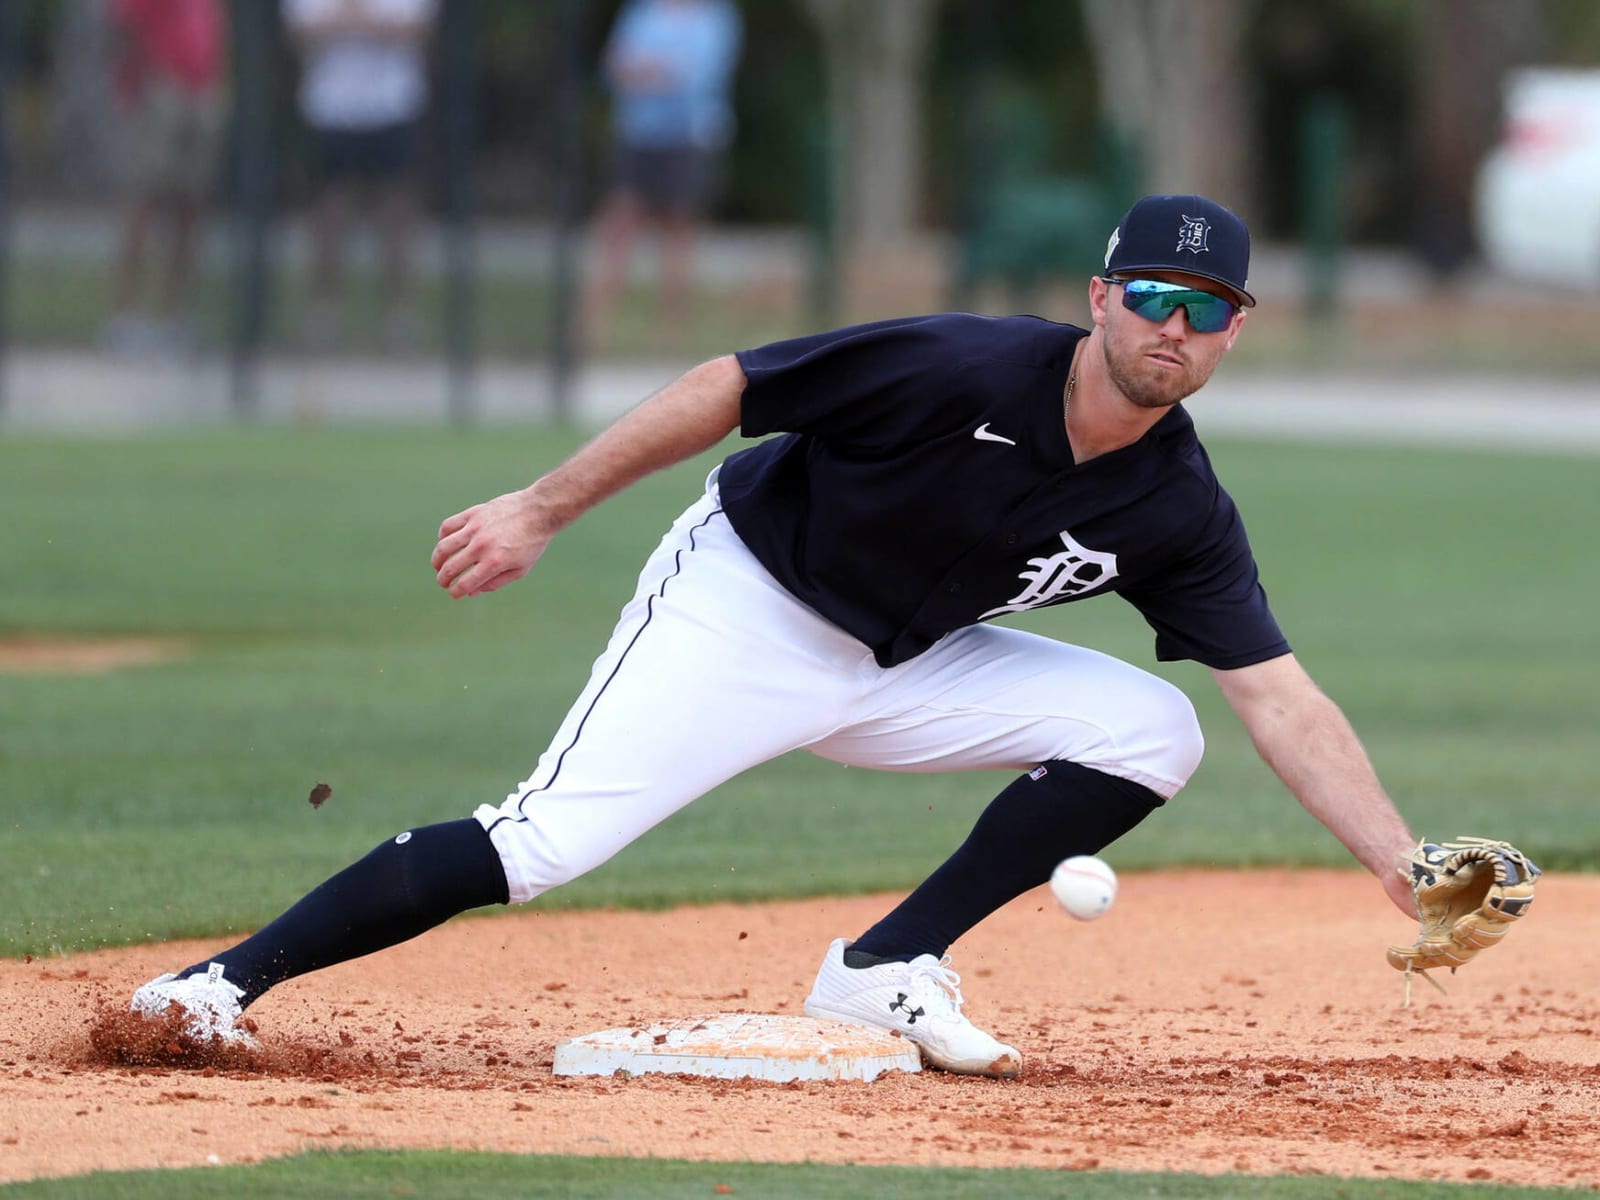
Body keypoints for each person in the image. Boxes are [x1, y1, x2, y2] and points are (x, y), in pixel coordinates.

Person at [131, 195, 1419, 1078]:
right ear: (1100, 298)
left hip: (902, 665)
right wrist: (539, 507)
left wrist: (1406, 871)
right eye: (1151, 294)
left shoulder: (1176, 503)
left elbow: (1281, 699)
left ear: (1235, 329)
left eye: (1205, 308)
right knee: (543, 842)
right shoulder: (961, 367)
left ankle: (887, 964)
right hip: (744, 608)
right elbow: (734, 385)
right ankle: (212, 988)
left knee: (1155, 726)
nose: (1172, 329)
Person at [580, 0, 744, 354]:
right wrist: (648, 72)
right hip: (638, 135)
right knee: (618, 224)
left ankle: (670, 333)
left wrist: (646, 71)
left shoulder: (715, 19)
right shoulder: (643, 12)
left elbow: (698, 77)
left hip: (688, 139)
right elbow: (613, 68)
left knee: (678, 232)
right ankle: (591, 327)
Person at [281, 0, 437, 354]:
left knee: (397, 213)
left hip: (394, 105)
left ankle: (400, 317)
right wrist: (368, 23)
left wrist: (348, 20)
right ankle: (322, 315)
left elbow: (413, 30)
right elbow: (302, 32)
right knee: (330, 212)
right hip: (330, 108)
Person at [103, 0, 228, 355]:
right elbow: (122, 24)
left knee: (191, 209)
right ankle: (123, 318)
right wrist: (144, 77)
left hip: (203, 90)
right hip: (161, 90)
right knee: (145, 202)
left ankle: (174, 319)